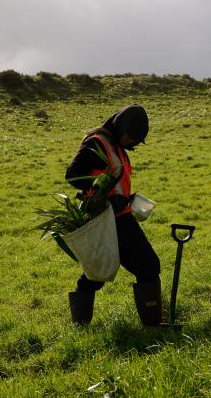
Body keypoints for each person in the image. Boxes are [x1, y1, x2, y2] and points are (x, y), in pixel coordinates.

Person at [64, 105, 162, 326]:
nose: (134, 142)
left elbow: (114, 183)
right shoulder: (96, 142)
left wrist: (127, 197)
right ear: (120, 127)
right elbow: (73, 176)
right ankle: (154, 328)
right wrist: (102, 191)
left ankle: (80, 323)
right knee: (148, 266)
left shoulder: (117, 146)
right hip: (106, 218)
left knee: (98, 271)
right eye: (132, 137)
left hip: (120, 215)